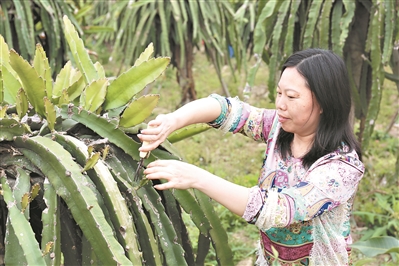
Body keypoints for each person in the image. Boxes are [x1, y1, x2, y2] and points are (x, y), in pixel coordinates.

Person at [139, 48, 365, 266]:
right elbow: (227, 110)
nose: (280, 104)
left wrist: (196, 177)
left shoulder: (341, 168)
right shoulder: (280, 128)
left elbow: (277, 210)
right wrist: (173, 120)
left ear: (325, 102)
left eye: (292, 96)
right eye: (279, 93)